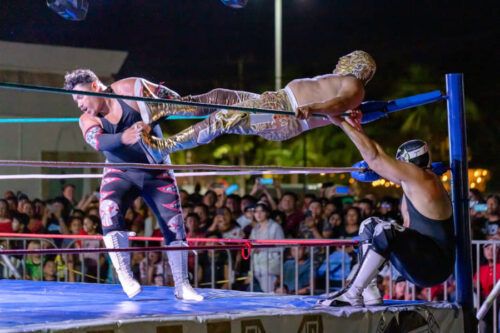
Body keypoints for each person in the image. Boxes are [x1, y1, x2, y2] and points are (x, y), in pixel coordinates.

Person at [64, 69, 202, 300]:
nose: (78, 104)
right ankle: (125, 276)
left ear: (95, 86)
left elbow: (173, 100)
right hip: (120, 172)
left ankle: (182, 284)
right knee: (108, 210)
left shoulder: (130, 89)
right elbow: (97, 141)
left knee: (175, 225)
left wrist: (153, 117)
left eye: (80, 96)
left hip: (156, 170)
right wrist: (123, 137)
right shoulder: (87, 119)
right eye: (75, 100)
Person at [320, 110, 455, 307]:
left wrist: (339, 120)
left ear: (408, 162)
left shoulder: (424, 179)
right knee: (369, 224)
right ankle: (369, 291)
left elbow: (375, 158)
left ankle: (353, 292)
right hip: (419, 259)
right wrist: (356, 126)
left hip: (434, 264)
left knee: (385, 229)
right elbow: (377, 155)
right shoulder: (414, 186)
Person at [140, 51, 376, 156]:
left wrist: (312, 108)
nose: (340, 61)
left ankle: (165, 146)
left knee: (225, 117)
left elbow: (339, 104)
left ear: (357, 64)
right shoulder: (344, 80)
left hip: (283, 115)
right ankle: (167, 107)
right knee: (222, 96)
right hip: (277, 103)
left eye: (347, 58)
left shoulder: (355, 86)